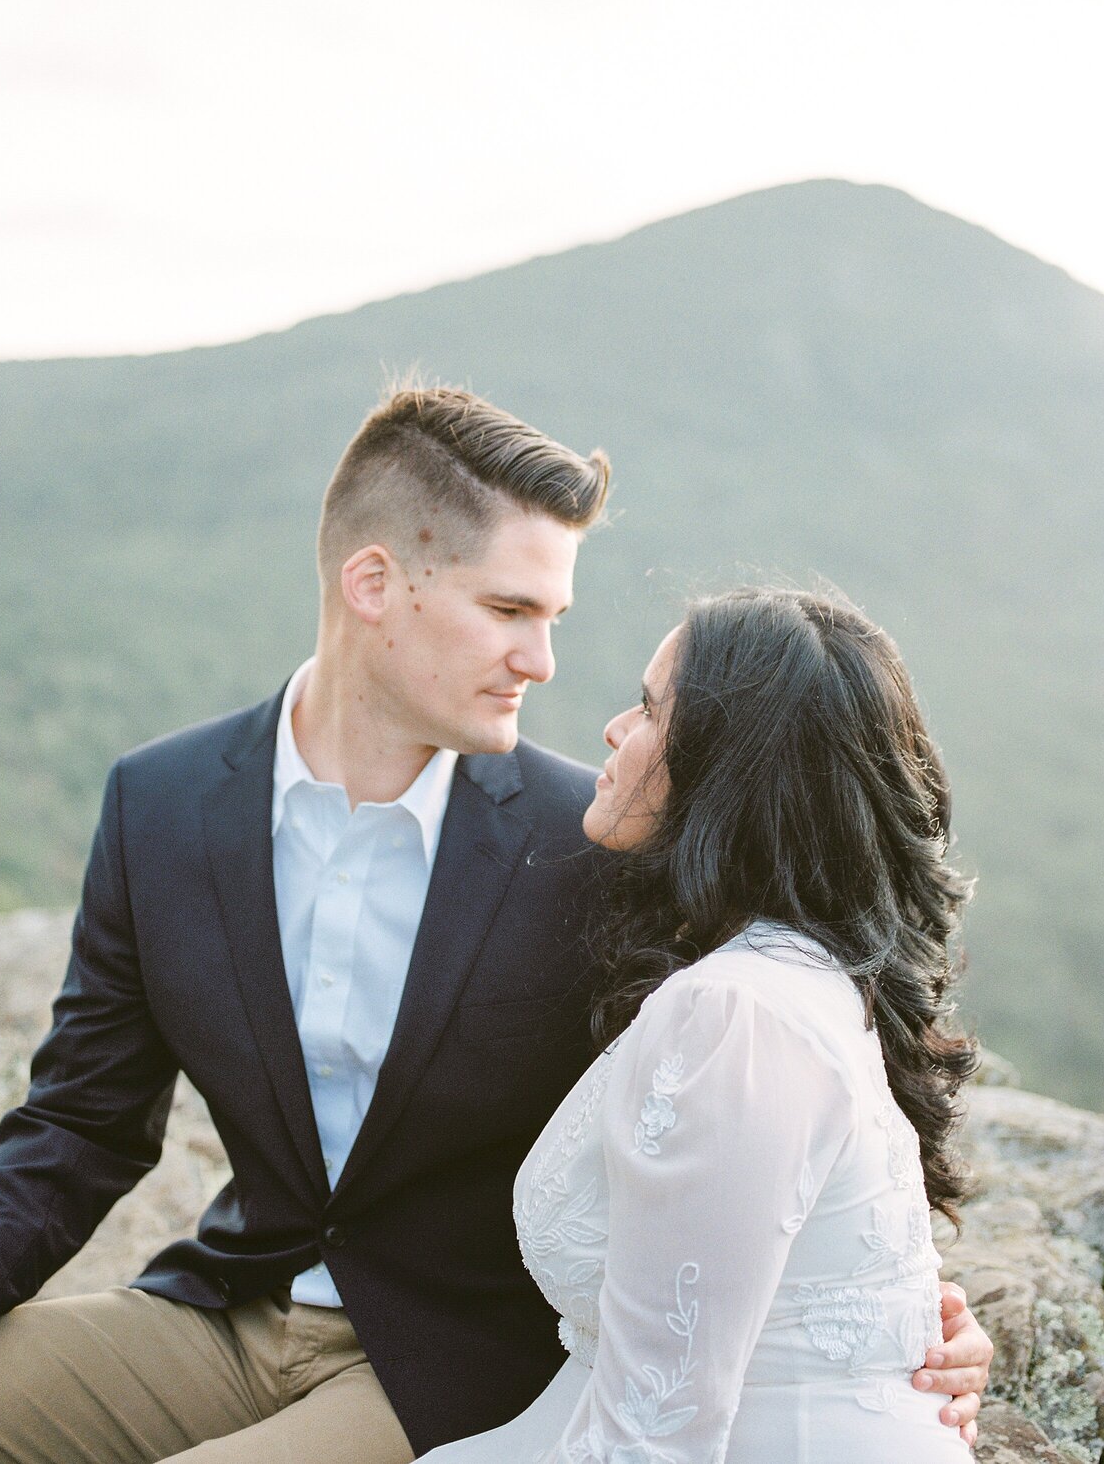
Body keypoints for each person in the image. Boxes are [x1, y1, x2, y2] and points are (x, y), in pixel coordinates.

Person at [0, 391, 991, 1464]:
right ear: (375, 584)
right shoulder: (161, 803)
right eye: (510, 611)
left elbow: (777, 1082)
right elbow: (82, 1119)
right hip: (226, 1307)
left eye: (553, 621)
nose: (543, 660)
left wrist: (909, 1312)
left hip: (455, 1363)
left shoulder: (601, 841)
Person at [417, 588, 984, 1462]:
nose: (613, 728)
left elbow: (657, 1437)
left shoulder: (737, 1012)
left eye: (649, 708)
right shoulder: (812, 979)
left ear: (729, 769)